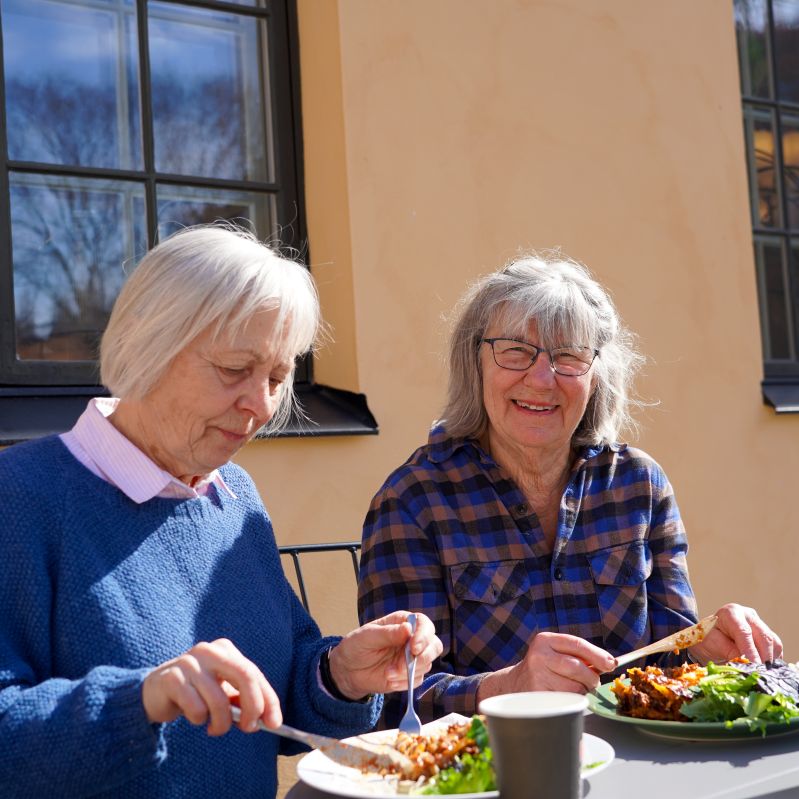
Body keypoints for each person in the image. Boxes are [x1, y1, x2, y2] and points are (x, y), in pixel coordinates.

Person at [0, 225, 442, 798]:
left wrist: (341, 675)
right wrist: (142, 701)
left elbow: (273, 697)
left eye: (279, 378)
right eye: (235, 369)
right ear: (146, 344)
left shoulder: (232, 496)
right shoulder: (22, 498)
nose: (260, 405)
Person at [357, 252, 782, 727]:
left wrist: (707, 645)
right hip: (489, 775)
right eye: (515, 350)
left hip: (632, 764)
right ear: (473, 362)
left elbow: (670, 661)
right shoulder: (414, 502)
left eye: (568, 356)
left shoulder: (638, 486)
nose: (542, 379)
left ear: (597, 374)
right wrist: (507, 687)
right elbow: (394, 703)